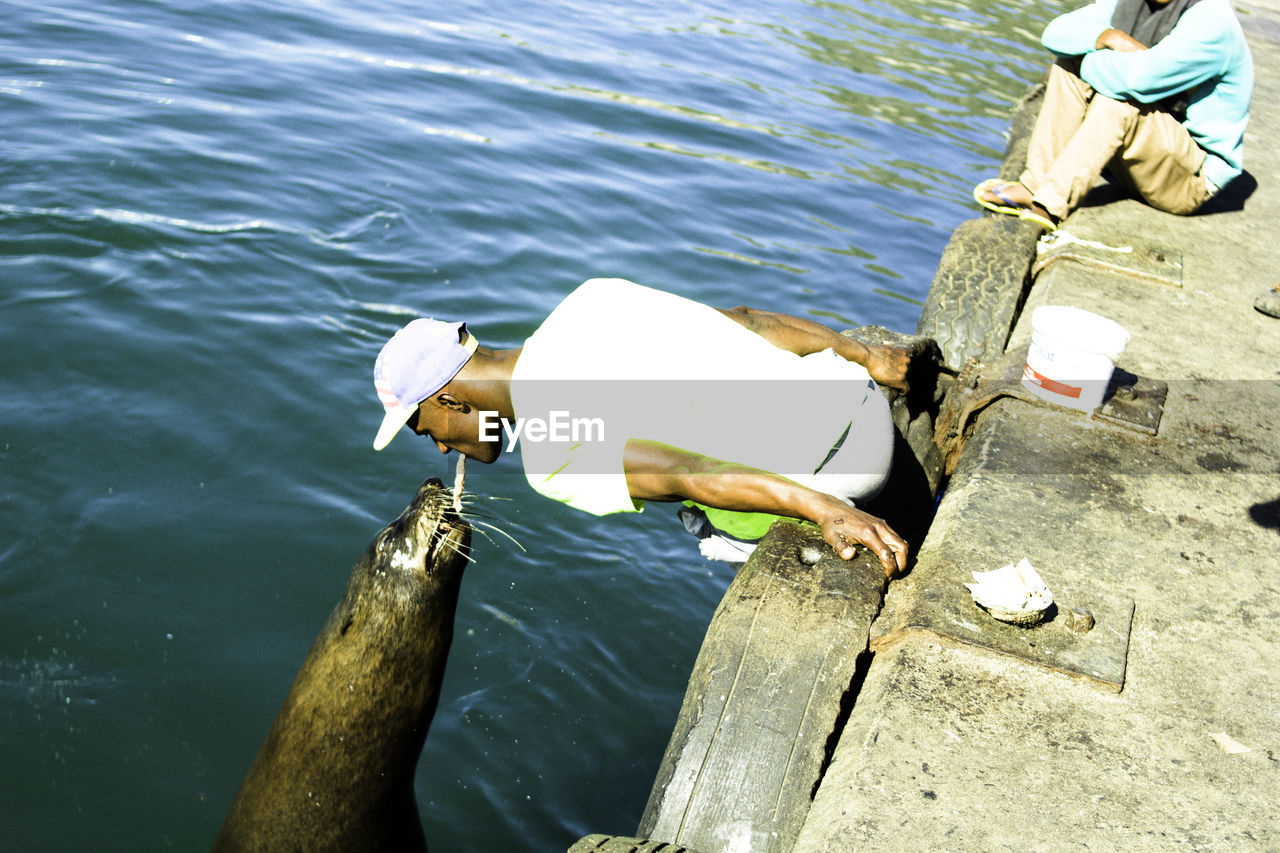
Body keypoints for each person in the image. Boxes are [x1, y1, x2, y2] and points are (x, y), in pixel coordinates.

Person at [371, 278, 912, 576]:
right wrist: (867, 356)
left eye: (428, 430)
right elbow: (748, 321)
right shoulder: (587, 301)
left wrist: (827, 509)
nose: (442, 445)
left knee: (707, 527)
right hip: (858, 399)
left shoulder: (549, 453)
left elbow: (691, 473)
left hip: (843, 474)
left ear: (448, 399)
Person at [973, 0, 1253, 231]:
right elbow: (1055, 33)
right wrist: (1109, 37)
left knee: (1118, 99)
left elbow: (1136, 81)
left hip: (1189, 180)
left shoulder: (1211, 20)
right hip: (1145, 160)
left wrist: (1088, 59)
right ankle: (1036, 184)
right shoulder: (1131, 3)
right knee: (1066, 63)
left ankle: (1050, 205)